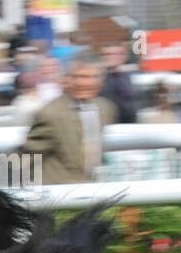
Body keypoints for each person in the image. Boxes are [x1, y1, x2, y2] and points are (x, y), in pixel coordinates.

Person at [19, 52, 117, 184]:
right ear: (65, 80)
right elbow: (26, 158)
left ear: (100, 81)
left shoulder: (105, 108)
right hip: (60, 193)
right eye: (78, 77)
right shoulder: (50, 113)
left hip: (93, 189)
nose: (84, 83)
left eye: (92, 77)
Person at [100, 42, 138, 124]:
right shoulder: (96, 78)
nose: (112, 57)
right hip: (106, 124)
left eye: (116, 54)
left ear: (124, 57)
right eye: (107, 54)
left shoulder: (134, 77)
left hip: (131, 125)